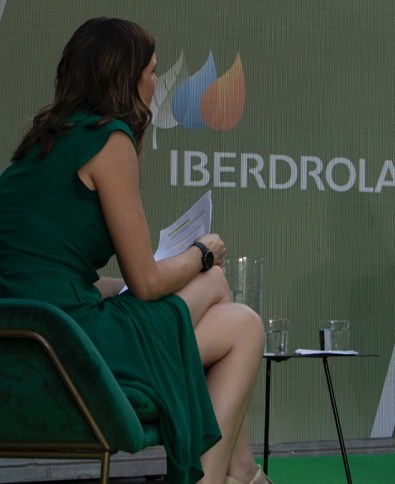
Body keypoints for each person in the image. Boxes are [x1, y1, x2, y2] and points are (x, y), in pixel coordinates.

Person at [0, 18, 272, 484]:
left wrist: (114, 285)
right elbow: (146, 285)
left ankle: (242, 472)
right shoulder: (110, 140)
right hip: (70, 345)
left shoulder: (35, 149)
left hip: (24, 340)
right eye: (152, 70)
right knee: (232, 306)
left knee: (233, 321)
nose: (156, 81)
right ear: (125, 77)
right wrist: (201, 252)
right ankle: (225, 476)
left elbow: (48, 272)